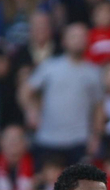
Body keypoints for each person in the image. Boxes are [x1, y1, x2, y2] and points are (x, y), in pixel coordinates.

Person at [21, 22, 104, 162]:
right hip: (47, 138)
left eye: (82, 36)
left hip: (79, 140)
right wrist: (30, 110)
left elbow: (99, 107)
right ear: (64, 41)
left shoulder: (94, 72)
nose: (78, 40)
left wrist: (96, 137)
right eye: (73, 36)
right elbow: (25, 91)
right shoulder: (50, 66)